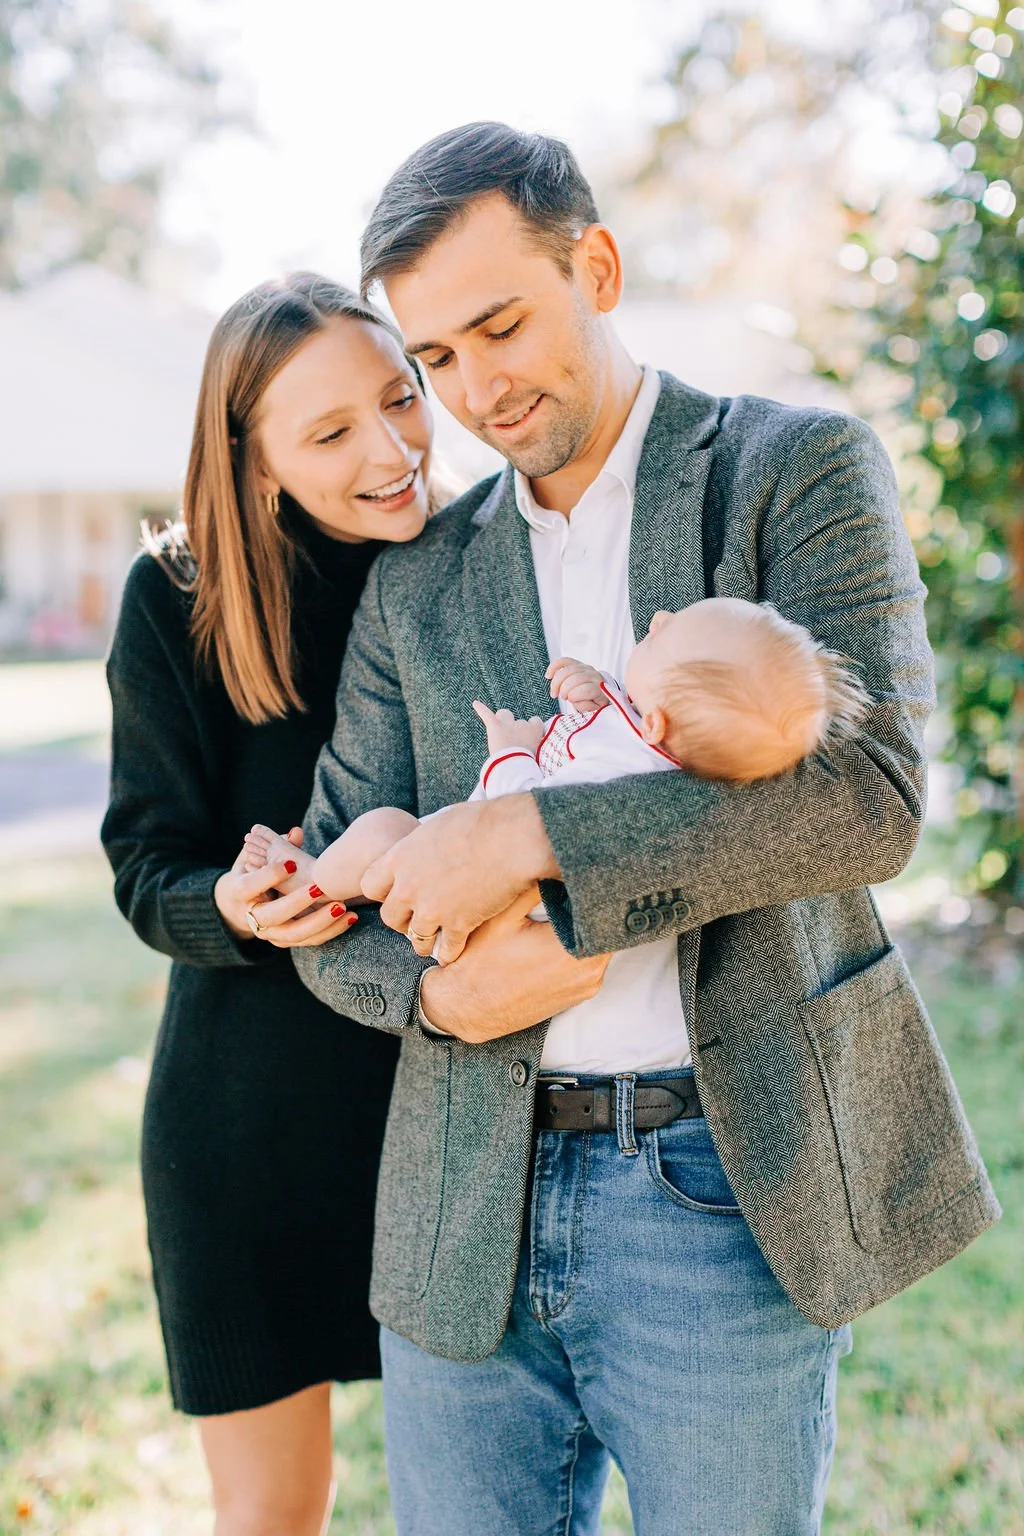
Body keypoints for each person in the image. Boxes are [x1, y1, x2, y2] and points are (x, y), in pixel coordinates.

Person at [285, 124, 999, 1536]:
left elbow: (870, 797)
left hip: (723, 1191)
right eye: (436, 359)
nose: (477, 388)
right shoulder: (420, 583)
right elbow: (329, 898)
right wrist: (432, 988)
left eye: (503, 324)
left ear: (595, 267)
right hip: (460, 1214)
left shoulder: (791, 471)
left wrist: (533, 837)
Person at [101, 271, 611, 1536]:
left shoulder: (490, 567)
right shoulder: (174, 598)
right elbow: (142, 863)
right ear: (252, 457)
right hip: (249, 1130)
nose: (388, 452)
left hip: (457, 1120)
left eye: (400, 400)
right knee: (276, 1514)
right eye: (328, 434)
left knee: (497, 1497)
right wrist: (230, 901)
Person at [241, 596, 870, 910]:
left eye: (667, 633)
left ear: (654, 723)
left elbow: (518, 813)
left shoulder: (623, 771)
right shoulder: (657, 742)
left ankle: (310, 884)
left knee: (383, 829)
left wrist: (510, 751)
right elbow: (614, 730)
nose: (657, 617)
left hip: (479, 884)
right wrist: (592, 696)